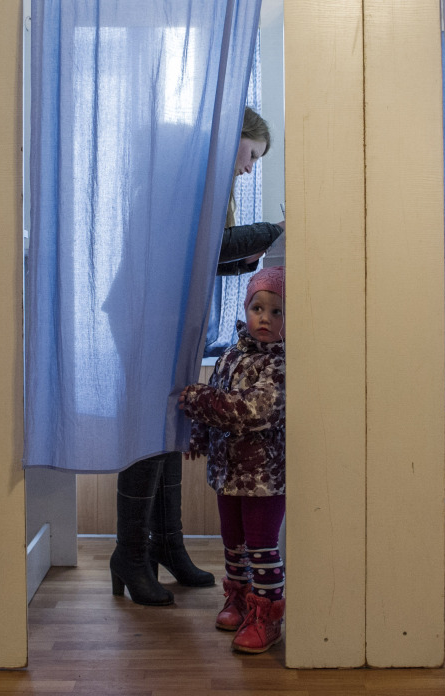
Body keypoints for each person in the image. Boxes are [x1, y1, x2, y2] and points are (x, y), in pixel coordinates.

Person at [109, 107, 285, 607]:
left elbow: (199, 256)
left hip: (161, 312)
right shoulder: (191, 178)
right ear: (233, 139)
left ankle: (166, 544)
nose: (250, 168)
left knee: (168, 425)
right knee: (149, 430)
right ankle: (130, 554)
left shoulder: (202, 182)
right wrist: (276, 229)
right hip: (146, 315)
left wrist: (239, 259)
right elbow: (206, 244)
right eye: (252, 154)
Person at [178, 265, 286, 654]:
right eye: (258, 308)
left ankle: (268, 616)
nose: (265, 318)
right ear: (245, 309)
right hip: (227, 472)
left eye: (277, 312)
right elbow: (217, 393)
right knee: (233, 543)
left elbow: (253, 411)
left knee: (261, 547)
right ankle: (238, 600)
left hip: (265, 478)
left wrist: (198, 401)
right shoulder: (230, 355)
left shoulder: (280, 363)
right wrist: (200, 435)